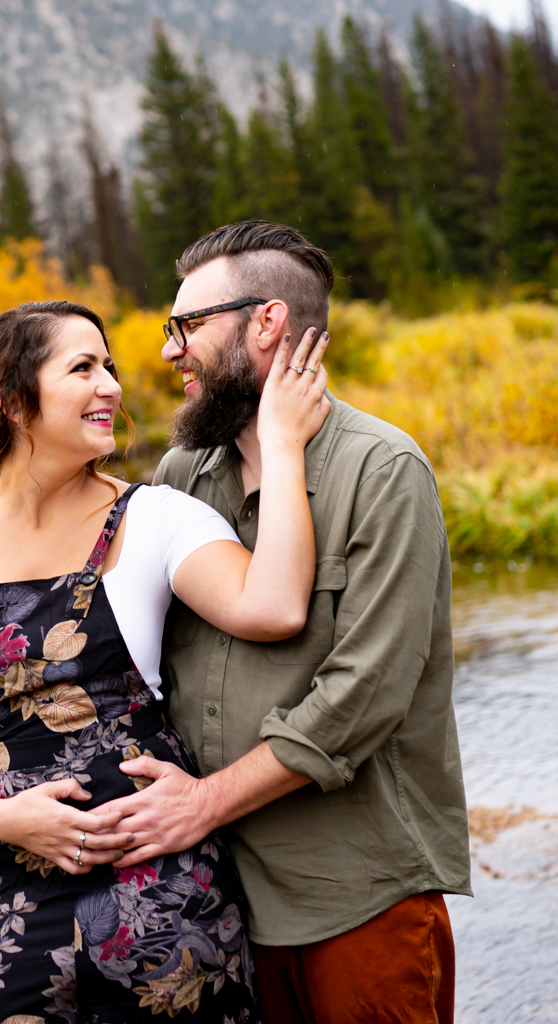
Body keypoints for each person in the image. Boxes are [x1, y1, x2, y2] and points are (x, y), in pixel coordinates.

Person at [0, 298, 331, 1022]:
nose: (112, 386)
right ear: (12, 400)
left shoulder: (153, 517)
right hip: (7, 902)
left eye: (110, 365)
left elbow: (275, 605)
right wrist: (0, 817)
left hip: (163, 894)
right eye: (83, 367)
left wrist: (282, 447)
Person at [100, 221, 471, 1024]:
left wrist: (204, 801)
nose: (169, 351)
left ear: (265, 322)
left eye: (186, 326)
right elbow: (122, 666)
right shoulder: (179, 476)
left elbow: (364, 694)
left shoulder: (383, 470)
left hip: (357, 897)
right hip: (216, 907)